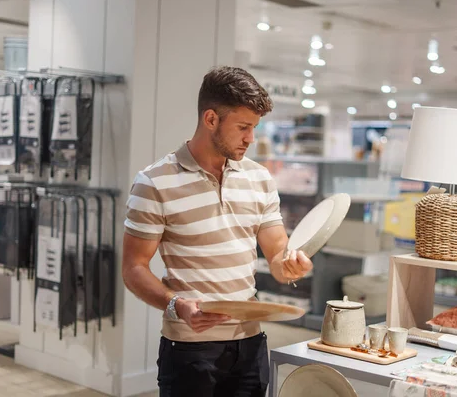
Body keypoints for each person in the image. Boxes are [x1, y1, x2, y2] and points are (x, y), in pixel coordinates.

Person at [122, 66, 313, 397]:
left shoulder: (260, 178)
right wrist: (174, 303)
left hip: (250, 346)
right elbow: (133, 267)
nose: (250, 138)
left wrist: (292, 265)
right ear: (210, 119)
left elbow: (278, 253)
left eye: (254, 128)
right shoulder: (155, 181)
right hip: (190, 351)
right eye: (243, 127)